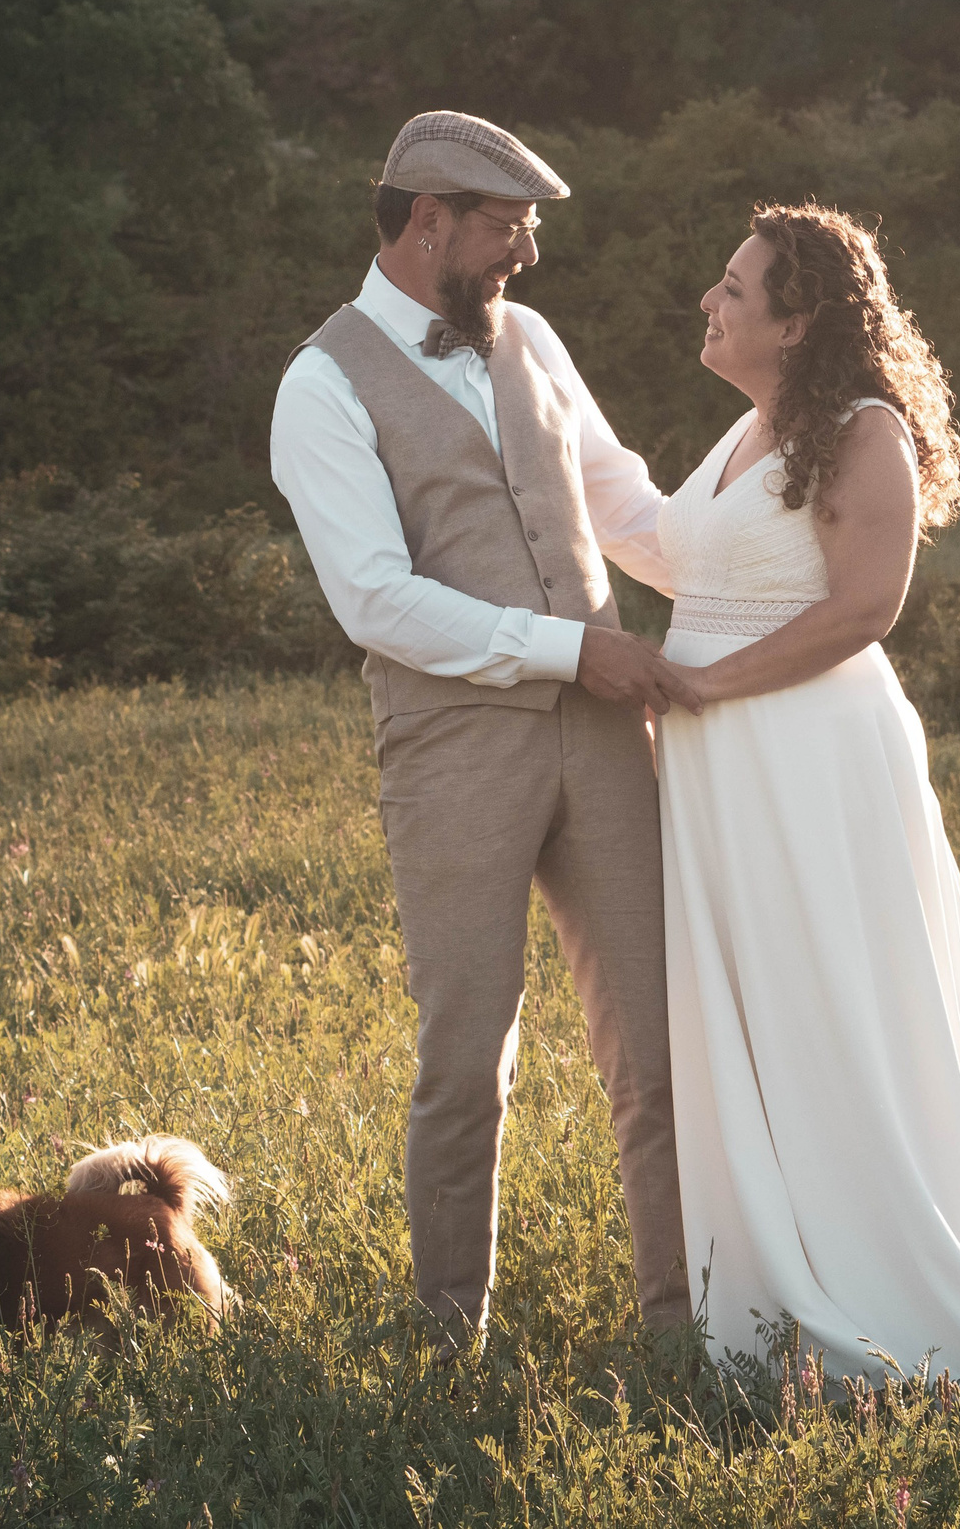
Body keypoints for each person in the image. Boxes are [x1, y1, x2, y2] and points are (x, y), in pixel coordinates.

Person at [269, 111, 700, 1347]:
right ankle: (444, 1329)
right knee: (468, 1052)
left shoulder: (538, 341)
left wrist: (756, 576)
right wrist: (581, 651)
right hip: (454, 753)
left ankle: (683, 1326)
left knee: (658, 1052)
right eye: (506, 228)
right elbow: (375, 599)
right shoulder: (320, 383)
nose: (523, 253)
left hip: (610, 742)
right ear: (426, 222)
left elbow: (622, 504)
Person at [656, 201, 960, 1389]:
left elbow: (864, 609)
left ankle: (895, 1282)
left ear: (797, 322)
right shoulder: (746, 435)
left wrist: (699, 689)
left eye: (735, 290)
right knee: (757, 1012)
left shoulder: (865, 431)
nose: (710, 301)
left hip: (808, 758)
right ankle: (773, 1282)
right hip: (728, 770)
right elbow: (665, 547)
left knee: (836, 1008)